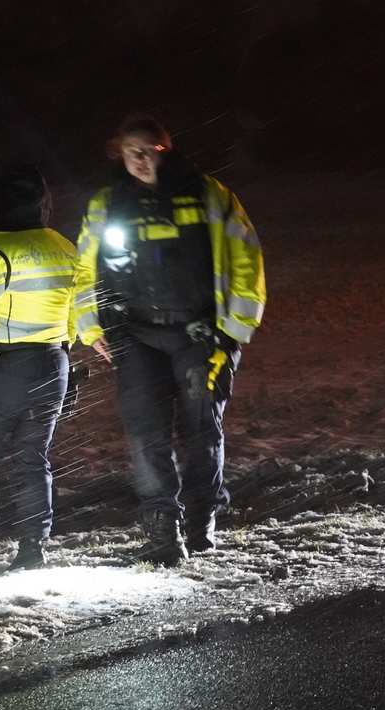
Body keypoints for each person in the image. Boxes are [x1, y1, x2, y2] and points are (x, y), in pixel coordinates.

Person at [75, 114, 266, 565]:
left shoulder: (209, 196)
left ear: (167, 150)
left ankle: (201, 520)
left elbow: (246, 259)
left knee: (200, 431)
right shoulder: (107, 204)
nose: (139, 161)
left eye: (148, 151)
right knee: (146, 435)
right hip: (136, 335)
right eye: (130, 153)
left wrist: (234, 332)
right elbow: (84, 266)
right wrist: (90, 325)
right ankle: (162, 528)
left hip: (200, 335)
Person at [0, 165, 100, 575]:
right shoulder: (65, 248)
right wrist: (61, 355)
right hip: (53, 363)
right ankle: (32, 552)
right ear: (42, 204)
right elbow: (76, 313)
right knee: (33, 459)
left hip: (5, 367)